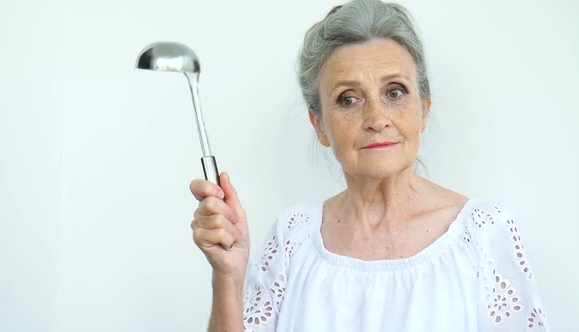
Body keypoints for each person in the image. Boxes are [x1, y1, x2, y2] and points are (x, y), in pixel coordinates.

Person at [189, 0, 550, 330]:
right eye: (348, 99)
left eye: (394, 92)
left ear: (424, 110)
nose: (377, 118)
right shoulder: (291, 238)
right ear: (320, 126)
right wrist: (229, 278)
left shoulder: (485, 234)